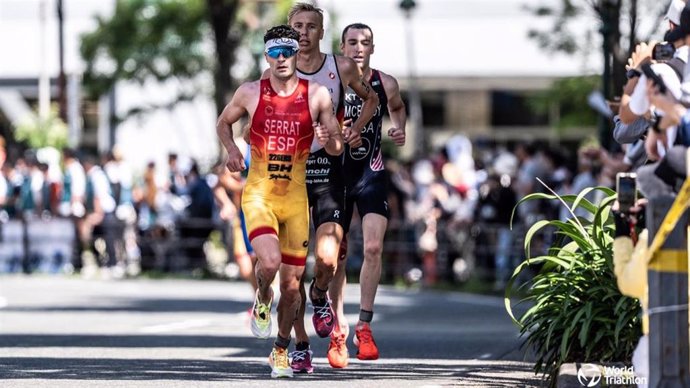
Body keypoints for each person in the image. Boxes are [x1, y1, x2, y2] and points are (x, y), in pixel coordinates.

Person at [216, 24, 343, 379]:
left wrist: (326, 138)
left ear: (296, 55)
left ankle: (282, 348)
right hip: (259, 195)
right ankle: (261, 298)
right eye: (275, 52)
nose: (282, 58)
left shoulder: (316, 95)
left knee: (291, 287)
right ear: (266, 56)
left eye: (288, 51)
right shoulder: (250, 92)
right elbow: (223, 123)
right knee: (269, 262)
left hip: (296, 201)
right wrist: (230, 151)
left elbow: (335, 147)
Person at [286, 2, 380, 374]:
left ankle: (320, 294)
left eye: (311, 26)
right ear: (289, 30)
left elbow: (371, 97)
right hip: (288, 174)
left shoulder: (340, 67)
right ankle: (299, 343)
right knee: (290, 268)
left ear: (322, 33)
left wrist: (352, 129)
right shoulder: (274, 72)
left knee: (327, 259)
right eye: (298, 26)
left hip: (328, 168)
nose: (304, 33)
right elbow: (250, 124)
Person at [316, 22, 406, 368]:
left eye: (364, 42)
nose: (357, 48)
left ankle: (364, 326)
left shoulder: (385, 83)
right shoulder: (330, 81)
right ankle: (338, 329)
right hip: (336, 176)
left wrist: (399, 127)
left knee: (372, 246)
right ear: (342, 46)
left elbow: (396, 107)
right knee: (337, 254)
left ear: (372, 48)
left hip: (372, 172)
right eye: (351, 42)